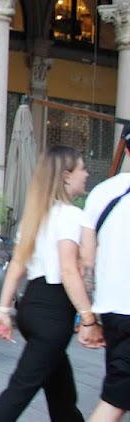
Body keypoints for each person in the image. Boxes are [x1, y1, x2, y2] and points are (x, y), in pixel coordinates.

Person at [0, 145, 94, 422]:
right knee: (21, 390)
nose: (87, 174)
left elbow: (17, 266)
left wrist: (3, 310)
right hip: (53, 313)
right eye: (82, 169)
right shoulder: (70, 216)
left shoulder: (37, 217)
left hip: (33, 305)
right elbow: (69, 270)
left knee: (62, 395)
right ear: (66, 175)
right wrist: (89, 317)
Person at [79, 133, 130, 422]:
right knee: (114, 401)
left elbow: (87, 259)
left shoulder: (103, 192)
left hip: (111, 312)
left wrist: (88, 319)